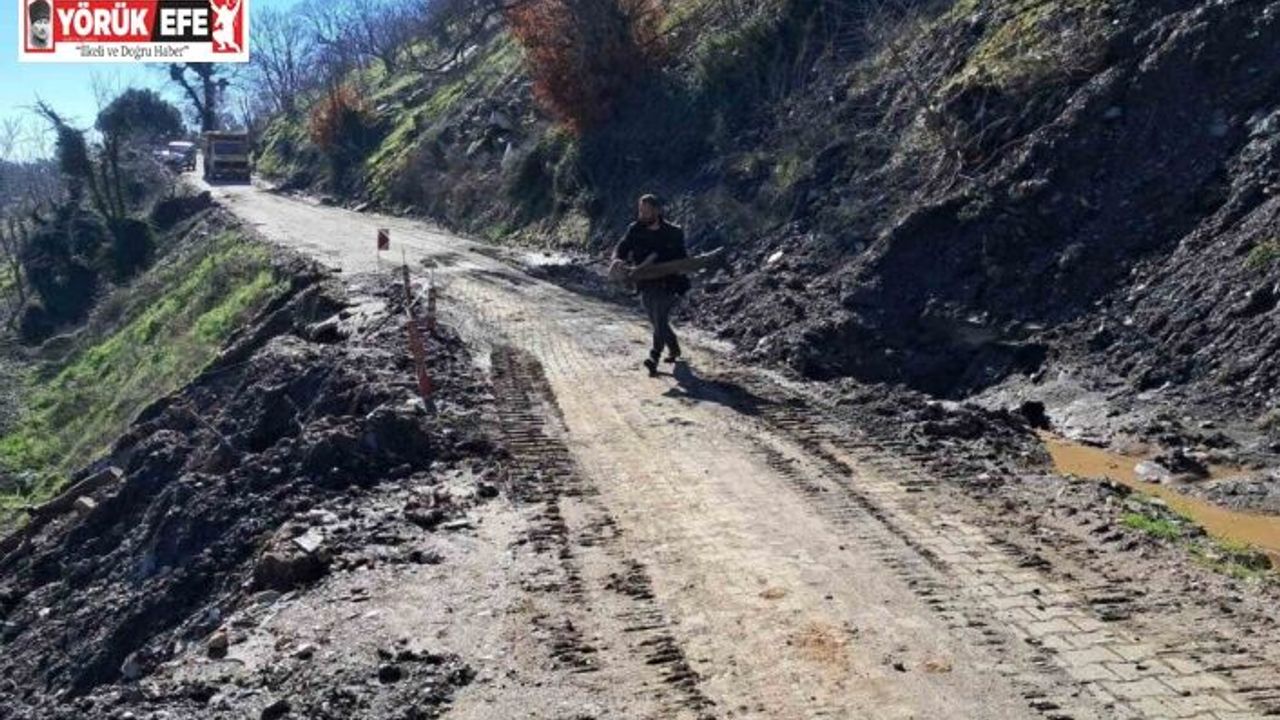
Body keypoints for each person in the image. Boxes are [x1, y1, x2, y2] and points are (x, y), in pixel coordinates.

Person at [613, 194, 691, 375]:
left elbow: (681, 257)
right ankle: (674, 348)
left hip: (670, 283)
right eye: (640, 211)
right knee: (657, 321)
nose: (642, 215)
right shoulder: (635, 229)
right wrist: (617, 260)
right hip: (646, 283)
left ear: (657, 211)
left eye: (646, 211)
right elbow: (622, 248)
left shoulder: (674, 232)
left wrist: (657, 259)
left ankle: (654, 356)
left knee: (660, 317)